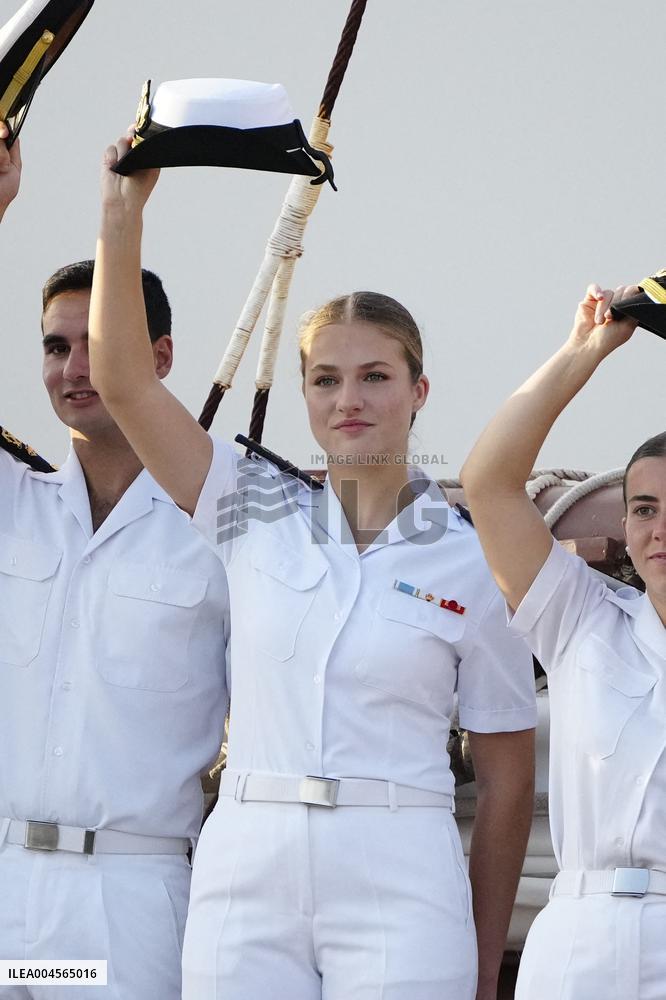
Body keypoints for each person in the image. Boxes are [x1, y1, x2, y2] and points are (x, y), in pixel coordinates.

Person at [88, 132, 538, 1000]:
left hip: (401, 871)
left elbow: (508, 777)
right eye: (326, 380)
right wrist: (121, 214)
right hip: (246, 867)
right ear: (304, 395)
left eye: (375, 376)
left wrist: (487, 960)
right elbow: (124, 382)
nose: (350, 400)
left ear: (420, 391)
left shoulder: (477, 557)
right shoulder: (246, 508)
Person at [0, 123, 230, 1000]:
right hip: (10, 880)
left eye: (93, 342)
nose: (71, 367)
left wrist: (122, 210)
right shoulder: (13, 506)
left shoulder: (220, 524)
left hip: (127, 895)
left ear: (156, 357)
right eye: (55, 346)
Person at [461, 284, 666, 999]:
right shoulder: (583, 618)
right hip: (580, 936)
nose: (658, 529)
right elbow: (489, 481)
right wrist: (585, 351)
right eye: (644, 509)